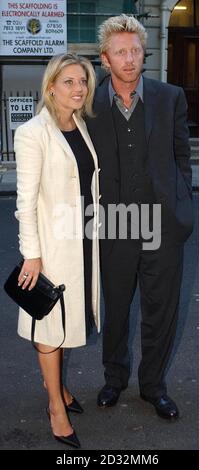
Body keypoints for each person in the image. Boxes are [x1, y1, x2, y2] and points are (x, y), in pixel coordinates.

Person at [86, 14, 193, 420]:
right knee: (115, 308)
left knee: (160, 310)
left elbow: (182, 154)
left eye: (134, 50)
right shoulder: (90, 100)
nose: (129, 59)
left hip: (162, 225)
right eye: (120, 52)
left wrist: (180, 205)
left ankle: (153, 386)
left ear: (143, 53)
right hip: (113, 224)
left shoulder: (170, 97)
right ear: (105, 58)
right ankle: (114, 379)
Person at [14, 53, 100, 448]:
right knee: (49, 326)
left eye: (82, 81)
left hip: (82, 239)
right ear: (51, 86)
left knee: (64, 322)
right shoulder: (34, 132)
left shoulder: (79, 124)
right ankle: (55, 407)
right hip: (50, 247)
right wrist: (32, 254)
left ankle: (60, 388)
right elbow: (25, 201)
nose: (78, 88)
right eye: (68, 82)